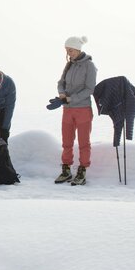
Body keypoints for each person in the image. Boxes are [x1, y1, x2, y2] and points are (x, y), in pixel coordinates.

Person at [51, 36, 97, 186]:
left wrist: (73, 98)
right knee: (67, 142)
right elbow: (60, 82)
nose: (68, 53)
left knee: (84, 142)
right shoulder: (69, 64)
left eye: (70, 50)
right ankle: (66, 170)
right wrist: (62, 93)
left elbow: (90, 89)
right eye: (66, 50)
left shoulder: (89, 66)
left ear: (78, 48)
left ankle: (82, 171)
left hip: (83, 109)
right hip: (67, 109)